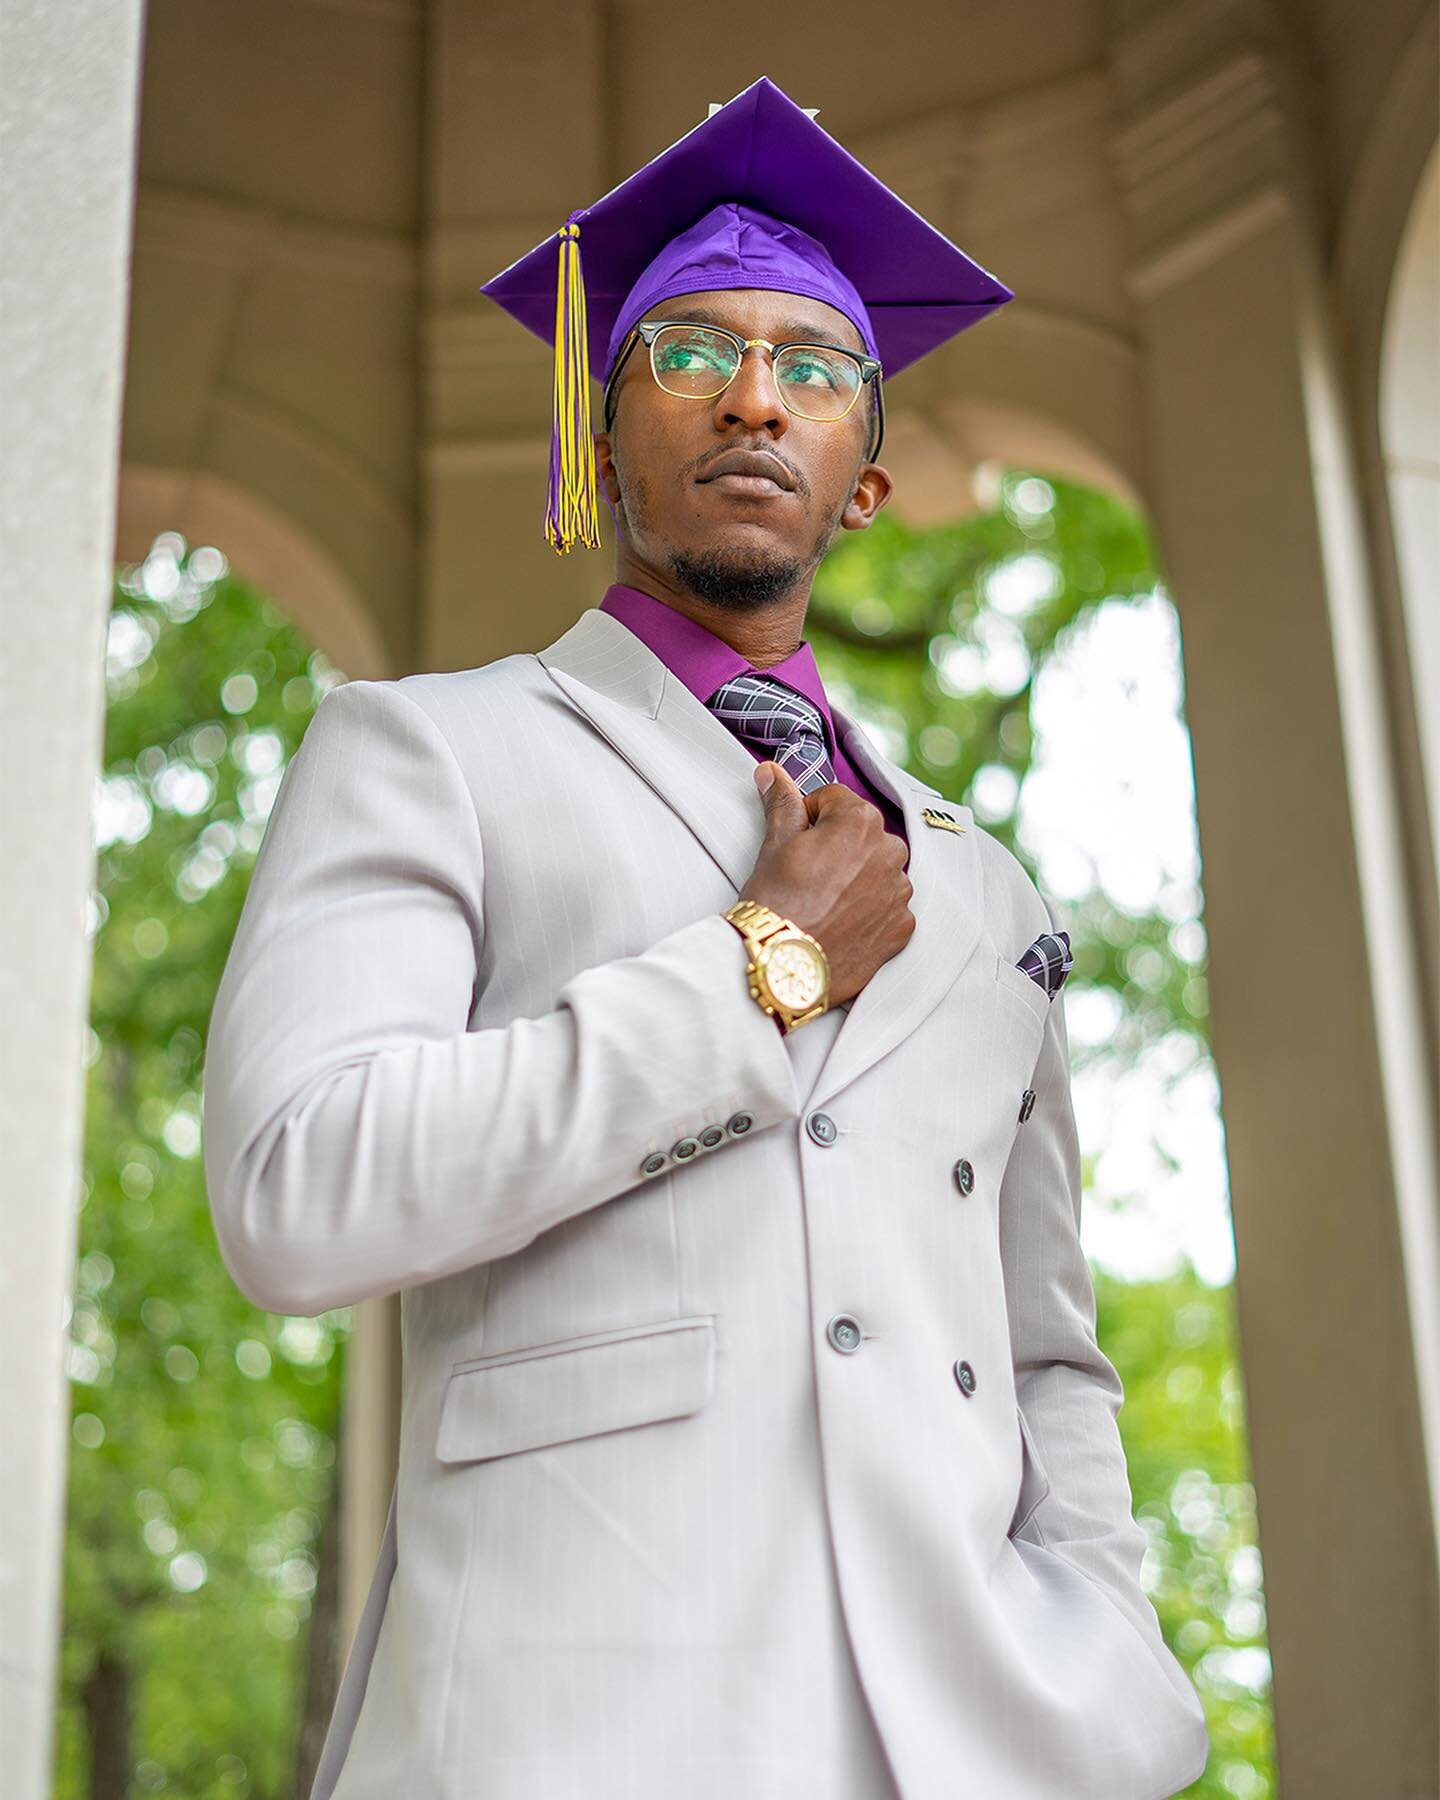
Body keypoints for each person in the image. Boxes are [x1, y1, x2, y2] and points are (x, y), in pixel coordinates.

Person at [202, 75, 1210, 1800]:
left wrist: (1102, 1644)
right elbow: (298, 1193)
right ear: (599, 439)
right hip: (575, 1708)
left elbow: (1049, 1346)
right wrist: (766, 970)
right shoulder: (431, 748)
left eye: (813, 370)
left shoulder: (985, 894)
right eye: (689, 353)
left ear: (867, 482)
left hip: (969, 1737)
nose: (755, 396)